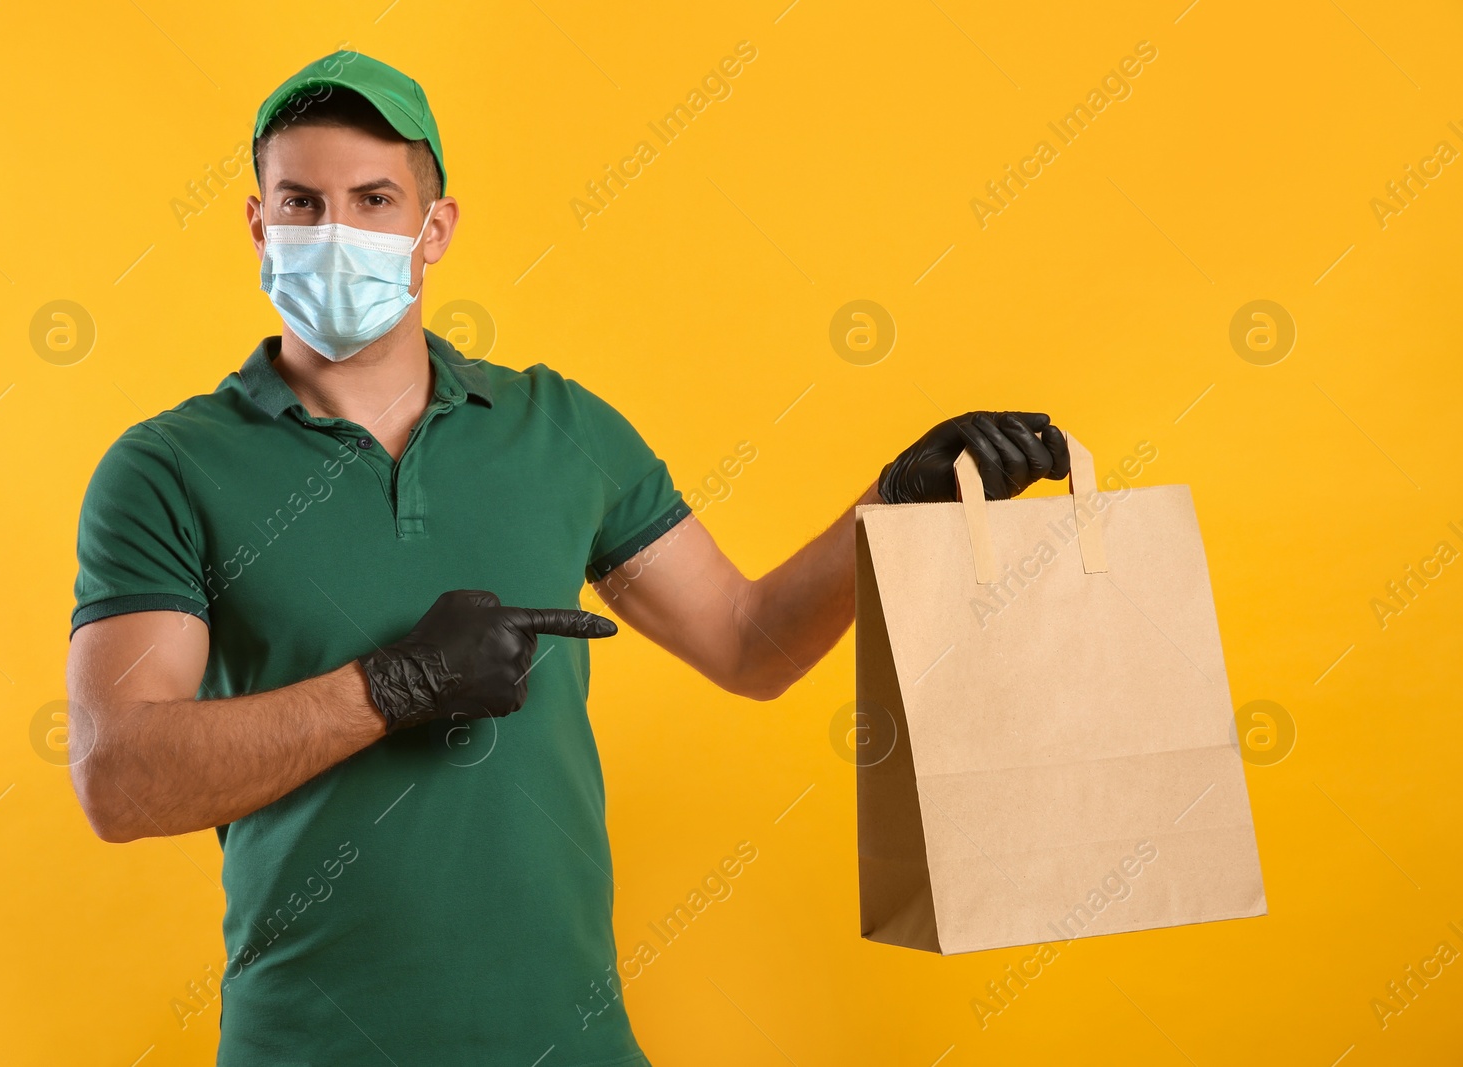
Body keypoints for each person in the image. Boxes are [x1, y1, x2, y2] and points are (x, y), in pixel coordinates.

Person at [65, 49, 1072, 1066]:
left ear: (434, 229)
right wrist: (393, 683)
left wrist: (890, 504)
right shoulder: (169, 467)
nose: (336, 233)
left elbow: (750, 643)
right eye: (301, 202)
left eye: (374, 199)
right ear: (257, 224)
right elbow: (121, 777)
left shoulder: (557, 430)